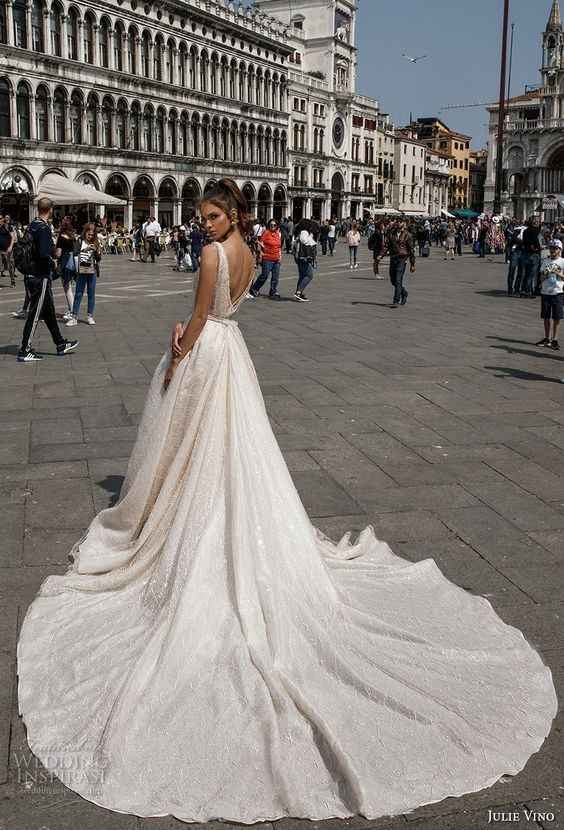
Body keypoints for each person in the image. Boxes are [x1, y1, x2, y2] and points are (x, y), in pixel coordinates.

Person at [16, 176, 557, 824]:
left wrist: (176, 350)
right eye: (203, 216)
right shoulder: (246, 250)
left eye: (213, 214)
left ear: (230, 213)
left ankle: (188, 517)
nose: (206, 223)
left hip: (209, 352)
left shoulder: (215, 253)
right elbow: (230, 306)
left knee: (197, 443)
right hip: (235, 354)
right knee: (235, 447)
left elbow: (195, 317)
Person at [16, 198, 78, 362]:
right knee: (35, 314)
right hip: (39, 275)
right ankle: (25, 349)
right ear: (50, 210)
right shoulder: (43, 228)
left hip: (31, 274)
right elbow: (44, 253)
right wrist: (54, 260)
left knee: (49, 311)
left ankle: (60, 343)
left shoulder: (32, 225)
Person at [66, 223, 101, 326]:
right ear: (85, 232)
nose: (90, 236)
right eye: (88, 234)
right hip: (81, 271)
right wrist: (85, 250)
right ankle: (74, 317)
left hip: (92, 271)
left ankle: (90, 316)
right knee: (78, 294)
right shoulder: (80, 241)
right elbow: (75, 253)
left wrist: (95, 251)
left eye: (92, 235)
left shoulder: (95, 242)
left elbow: (98, 259)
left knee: (91, 294)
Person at [536, 238, 564, 350]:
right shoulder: (545, 261)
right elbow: (541, 278)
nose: (552, 250)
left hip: (558, 292)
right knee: (546, 316)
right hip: (545, 292)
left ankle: (555, 339)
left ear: (560, 250)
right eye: (551, 248)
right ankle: (547, 338)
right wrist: (546, 274)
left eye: (555, 248)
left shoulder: (562, 262)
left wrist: (558, 273)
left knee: (557, 317)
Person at [249, 218, 282, 300]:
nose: (273, 226)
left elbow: (279, 246)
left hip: (276, 258)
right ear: (269, 225)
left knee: (275, 277)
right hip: (267, 258)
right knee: (264, 275)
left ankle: (273, 291)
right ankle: (254, 289)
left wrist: (280, 255)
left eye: (274, 225)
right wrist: (261, 251)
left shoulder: (278, 234)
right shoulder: (266, 233)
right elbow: (261, 242)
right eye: (271, 225)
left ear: (277, 226)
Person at [55, 215, 79, 321]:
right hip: (73, 264)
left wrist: (54, 253)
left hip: (65, 264)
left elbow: (59, 254)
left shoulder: (61, 238)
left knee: (67, 288)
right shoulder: (73, 237)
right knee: (69, 288)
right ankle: (72, 310)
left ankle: (73, 311)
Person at [387, 220, 416, 307]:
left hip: (402, 259)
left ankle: (396, 300)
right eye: (397, 222)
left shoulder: (408, 235)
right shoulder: (392, 233)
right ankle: (404, 293)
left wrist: (412, 264)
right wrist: (380, 255)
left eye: (400, 222)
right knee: (393, 280)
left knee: (398, 279)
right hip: (393, 258)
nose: (398, 223)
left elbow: (411, 250)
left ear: (404, 224)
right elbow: (387, 245)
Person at [293, 219, 317, 302]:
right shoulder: (304, 232)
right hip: (304, 257)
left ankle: (299, 293)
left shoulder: (301, 232)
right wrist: (311, 236)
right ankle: (298, 292)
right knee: (309, 275)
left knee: (302, 276)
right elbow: (305, 241)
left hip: (301, 257)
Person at [521, 217, 542, 298]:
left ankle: (523, 290)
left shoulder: (525, 231)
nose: (538, 223)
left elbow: (524, 241)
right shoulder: (535, 231)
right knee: (531, 274)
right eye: (537, 222)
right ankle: (528, 291)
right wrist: (539, 247)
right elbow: (536, 242)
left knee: (526, 274)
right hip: (533, 254)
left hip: (526, 253)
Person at [0, 212, 16, 286]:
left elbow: (13, 237)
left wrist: (10, 247)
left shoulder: (8, 227)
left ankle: (12, 280)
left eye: (0, 218)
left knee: (10, 266)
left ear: (3, 219)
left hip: (7, 249)